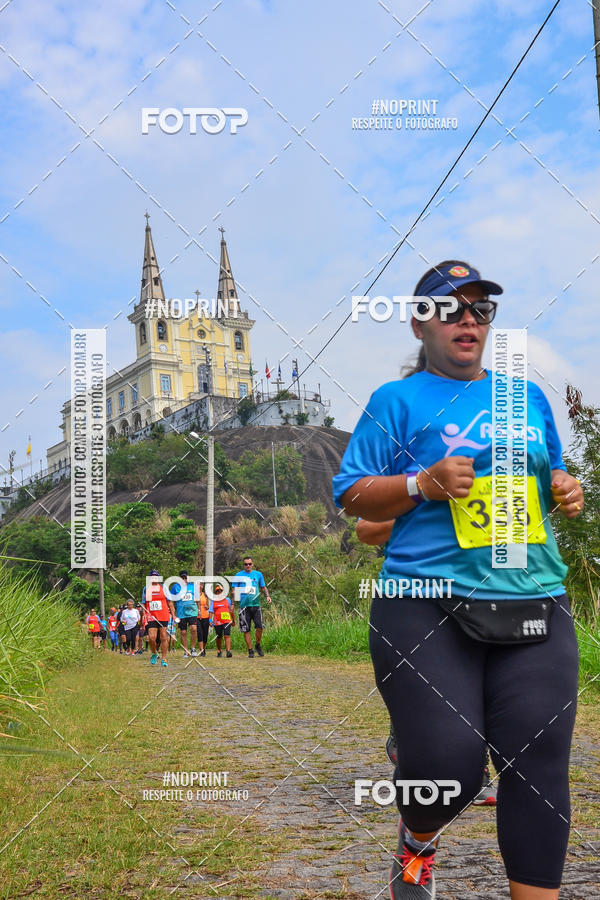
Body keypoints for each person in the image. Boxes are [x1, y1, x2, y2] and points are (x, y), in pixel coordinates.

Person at [333, 261, 583, 899]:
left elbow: (548, 478)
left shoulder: (524, 396)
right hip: (423, 604)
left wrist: (565, 488)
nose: (468, 319)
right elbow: (353, 497)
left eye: (480, 309)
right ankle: (417, 842)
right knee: (451, 769)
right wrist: (423, 484)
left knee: (538, 767)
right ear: (421, 324)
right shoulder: (397, 401)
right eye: (450, 309)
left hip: (533, 598)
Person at [356, 517, 497, 808]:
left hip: (478, 585)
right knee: (420, 683)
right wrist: (425, 503)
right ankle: (404, 733)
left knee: (478, 681)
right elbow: (367, 529)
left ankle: (477, 773)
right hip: (412, 592)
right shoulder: (401, 475)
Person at [231, 556, 271, 658]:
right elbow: (234, 590)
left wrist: (267, 596)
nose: (248, 566)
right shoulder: (238, 575)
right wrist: (232, 604)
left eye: (249, 564)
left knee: (259, 627)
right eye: (246, 564)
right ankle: (250, 650)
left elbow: (263, 587)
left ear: (252, 564)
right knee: (246, 629)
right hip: (244, 607)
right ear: (243, 565)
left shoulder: (258, 574)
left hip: (256, 605)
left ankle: (257, 644)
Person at [142, 570, 176, 667]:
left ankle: (164, 658)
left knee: (163, 637)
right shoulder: (146, 588)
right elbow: (144, 603)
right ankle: (154, 653)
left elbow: (170, 602)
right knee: (151, 638)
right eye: (152, 577)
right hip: (151, 616)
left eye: (156, 577)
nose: (154, 578)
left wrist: (173, 614)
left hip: (163, 615)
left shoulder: (163, 587)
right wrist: (144, 614)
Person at [170, 571, 199, 658]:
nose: (184, 579)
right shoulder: (176, 587)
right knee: (183, 632)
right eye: (182, 578)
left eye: (185, 577)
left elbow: (197, 599)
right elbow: (170, 599)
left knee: (193, 628)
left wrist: (200, 610)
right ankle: (185, 651)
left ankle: (193, 648)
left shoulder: (193, 586)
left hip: (192, 611)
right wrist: (173, 612)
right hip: (181, 613)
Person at [209, 583, 234, 658]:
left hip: (227, 620)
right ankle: (219, 650)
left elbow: (231, 610)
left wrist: (233, 620)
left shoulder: (228, 600)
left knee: (227, 635)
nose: (219, 592)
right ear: (216, 593)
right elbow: (211, 611)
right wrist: (210, 621)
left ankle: (228, 651)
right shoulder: (214, 601)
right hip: (217, 621)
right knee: (219, 636)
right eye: (218, 591)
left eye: (221, 591)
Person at [197, 583, 210, 656]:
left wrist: (207, 607)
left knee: (205, 634)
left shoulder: (205, 595)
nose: (200, 586)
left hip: (205, 616)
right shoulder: (194, 595)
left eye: (202, 585)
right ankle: (201, 650)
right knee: (200, 633)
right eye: (199, 585)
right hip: (197, 617)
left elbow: (208, 605)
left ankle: (203, 648)